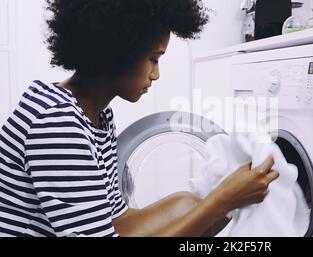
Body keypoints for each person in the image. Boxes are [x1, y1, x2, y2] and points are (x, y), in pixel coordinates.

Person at [0, 0, 279, 237]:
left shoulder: (97, 116)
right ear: (117, 51)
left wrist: (216, 202)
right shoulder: (57, 123)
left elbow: (117, 221)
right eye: (154, 59)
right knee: (204, 208)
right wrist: (221, 200)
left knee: (186, 205)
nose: (156, 75)